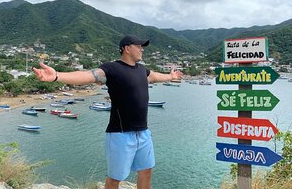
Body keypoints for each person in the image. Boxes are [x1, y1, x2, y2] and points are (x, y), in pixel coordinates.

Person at [32, 34, 183, 189]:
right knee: (114, 179)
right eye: (138, 46)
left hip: (143, 133)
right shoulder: (112, 69)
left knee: (146, 171)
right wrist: (57, 76)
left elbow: (156, 76)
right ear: (126, 48)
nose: (141, 49)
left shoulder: (142, 70)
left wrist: (171, 76)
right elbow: (88, 76)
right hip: (120, 134)